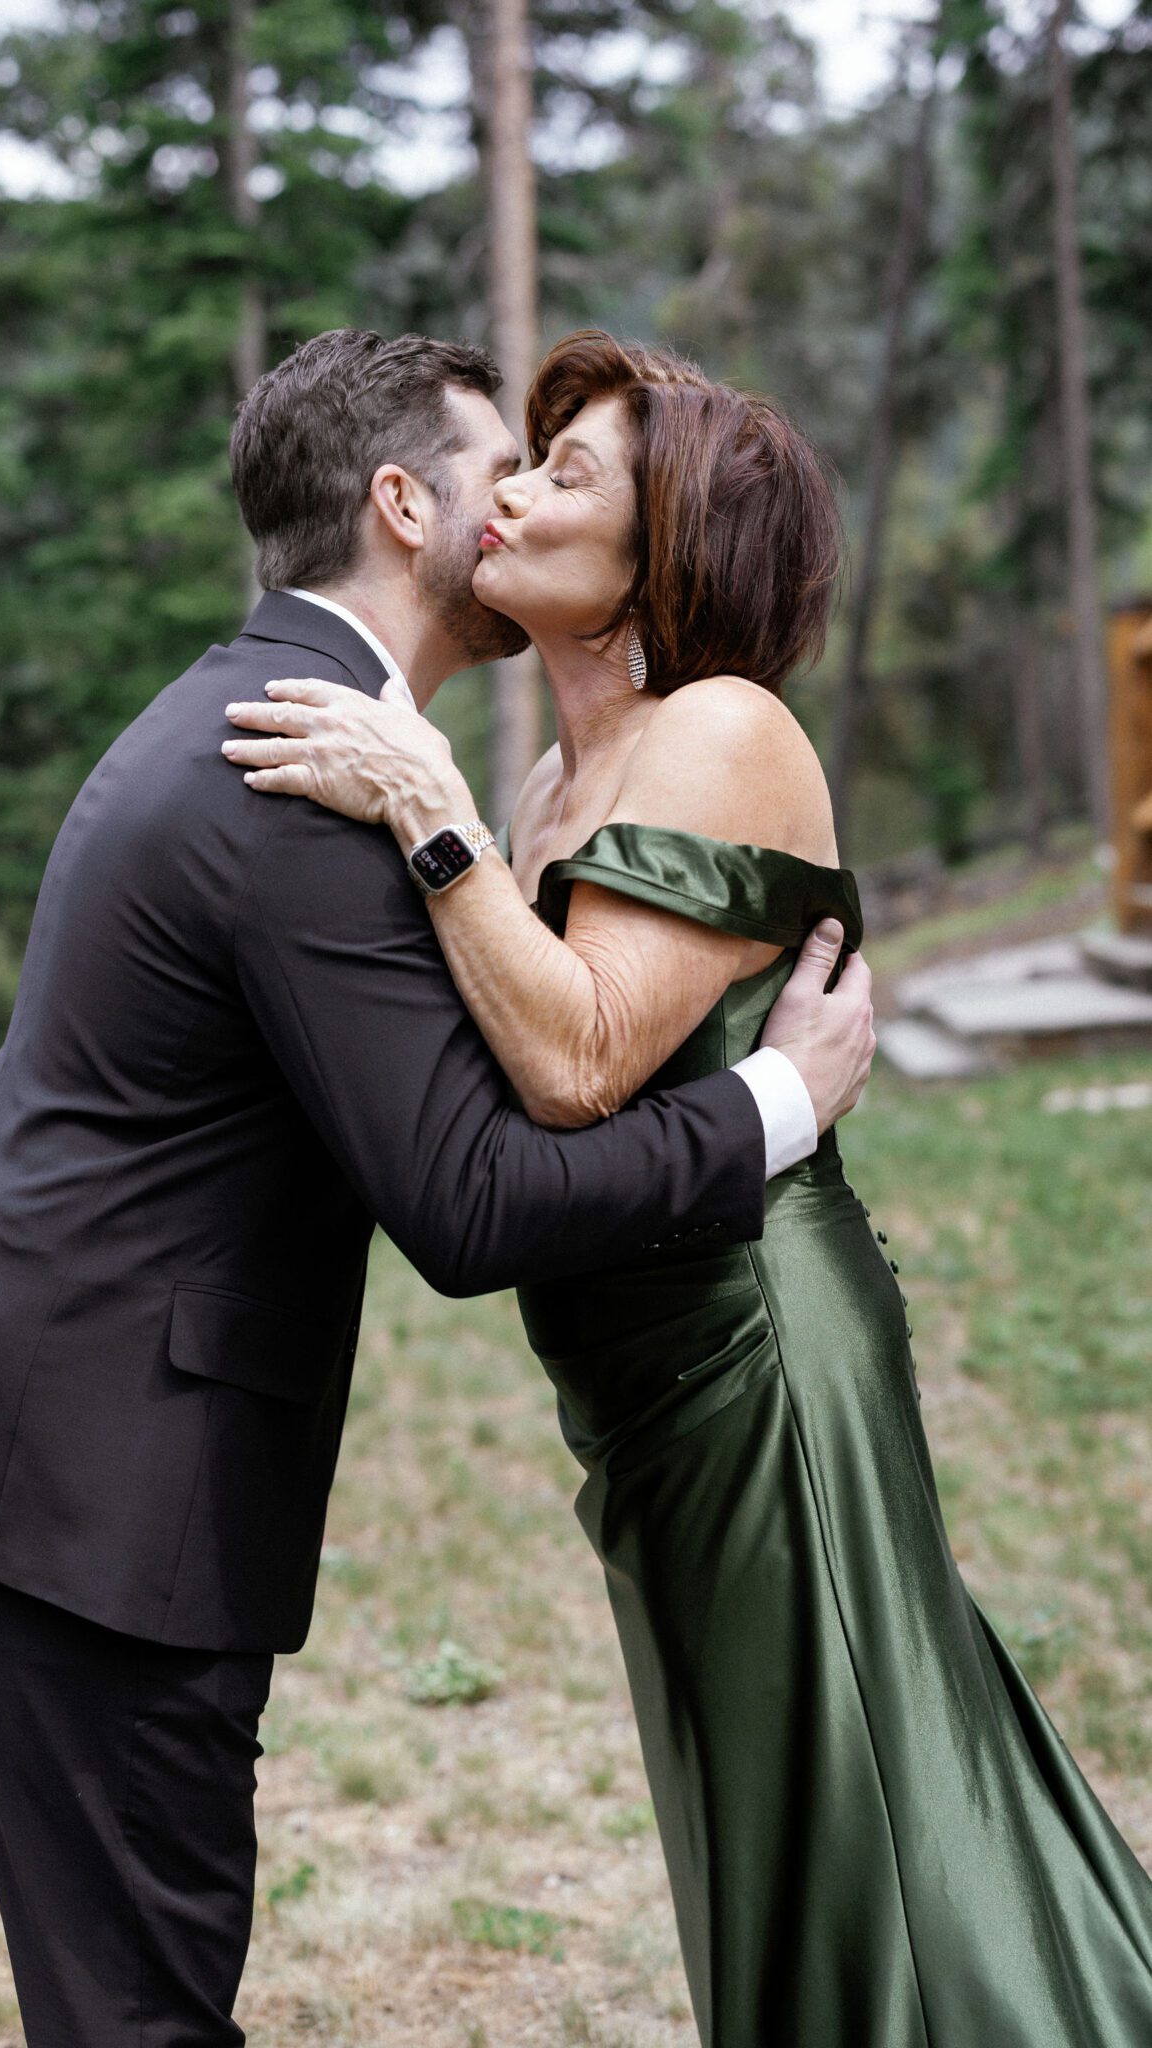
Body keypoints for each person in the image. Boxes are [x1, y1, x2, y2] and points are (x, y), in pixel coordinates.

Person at [0, 329, 875, 2048]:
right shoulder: (302, 780)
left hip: (67, 1435)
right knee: (142, 2014)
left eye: (563, 480)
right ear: (402, 505)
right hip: (92, 1468)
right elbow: (465, 1200)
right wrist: (776, 1104)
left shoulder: (296, 733)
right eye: (499, 474)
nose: (517, 510)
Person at [221, 329, 1152, 2047]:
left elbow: (575, 1064)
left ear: (665, 556)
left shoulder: (719, 728)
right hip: (637, 1370)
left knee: (849, 1801)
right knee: (765, 1799)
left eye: (562, 473)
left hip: (753, 1351)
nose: (506, 490)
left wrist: (425, 821)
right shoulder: (553, 778)